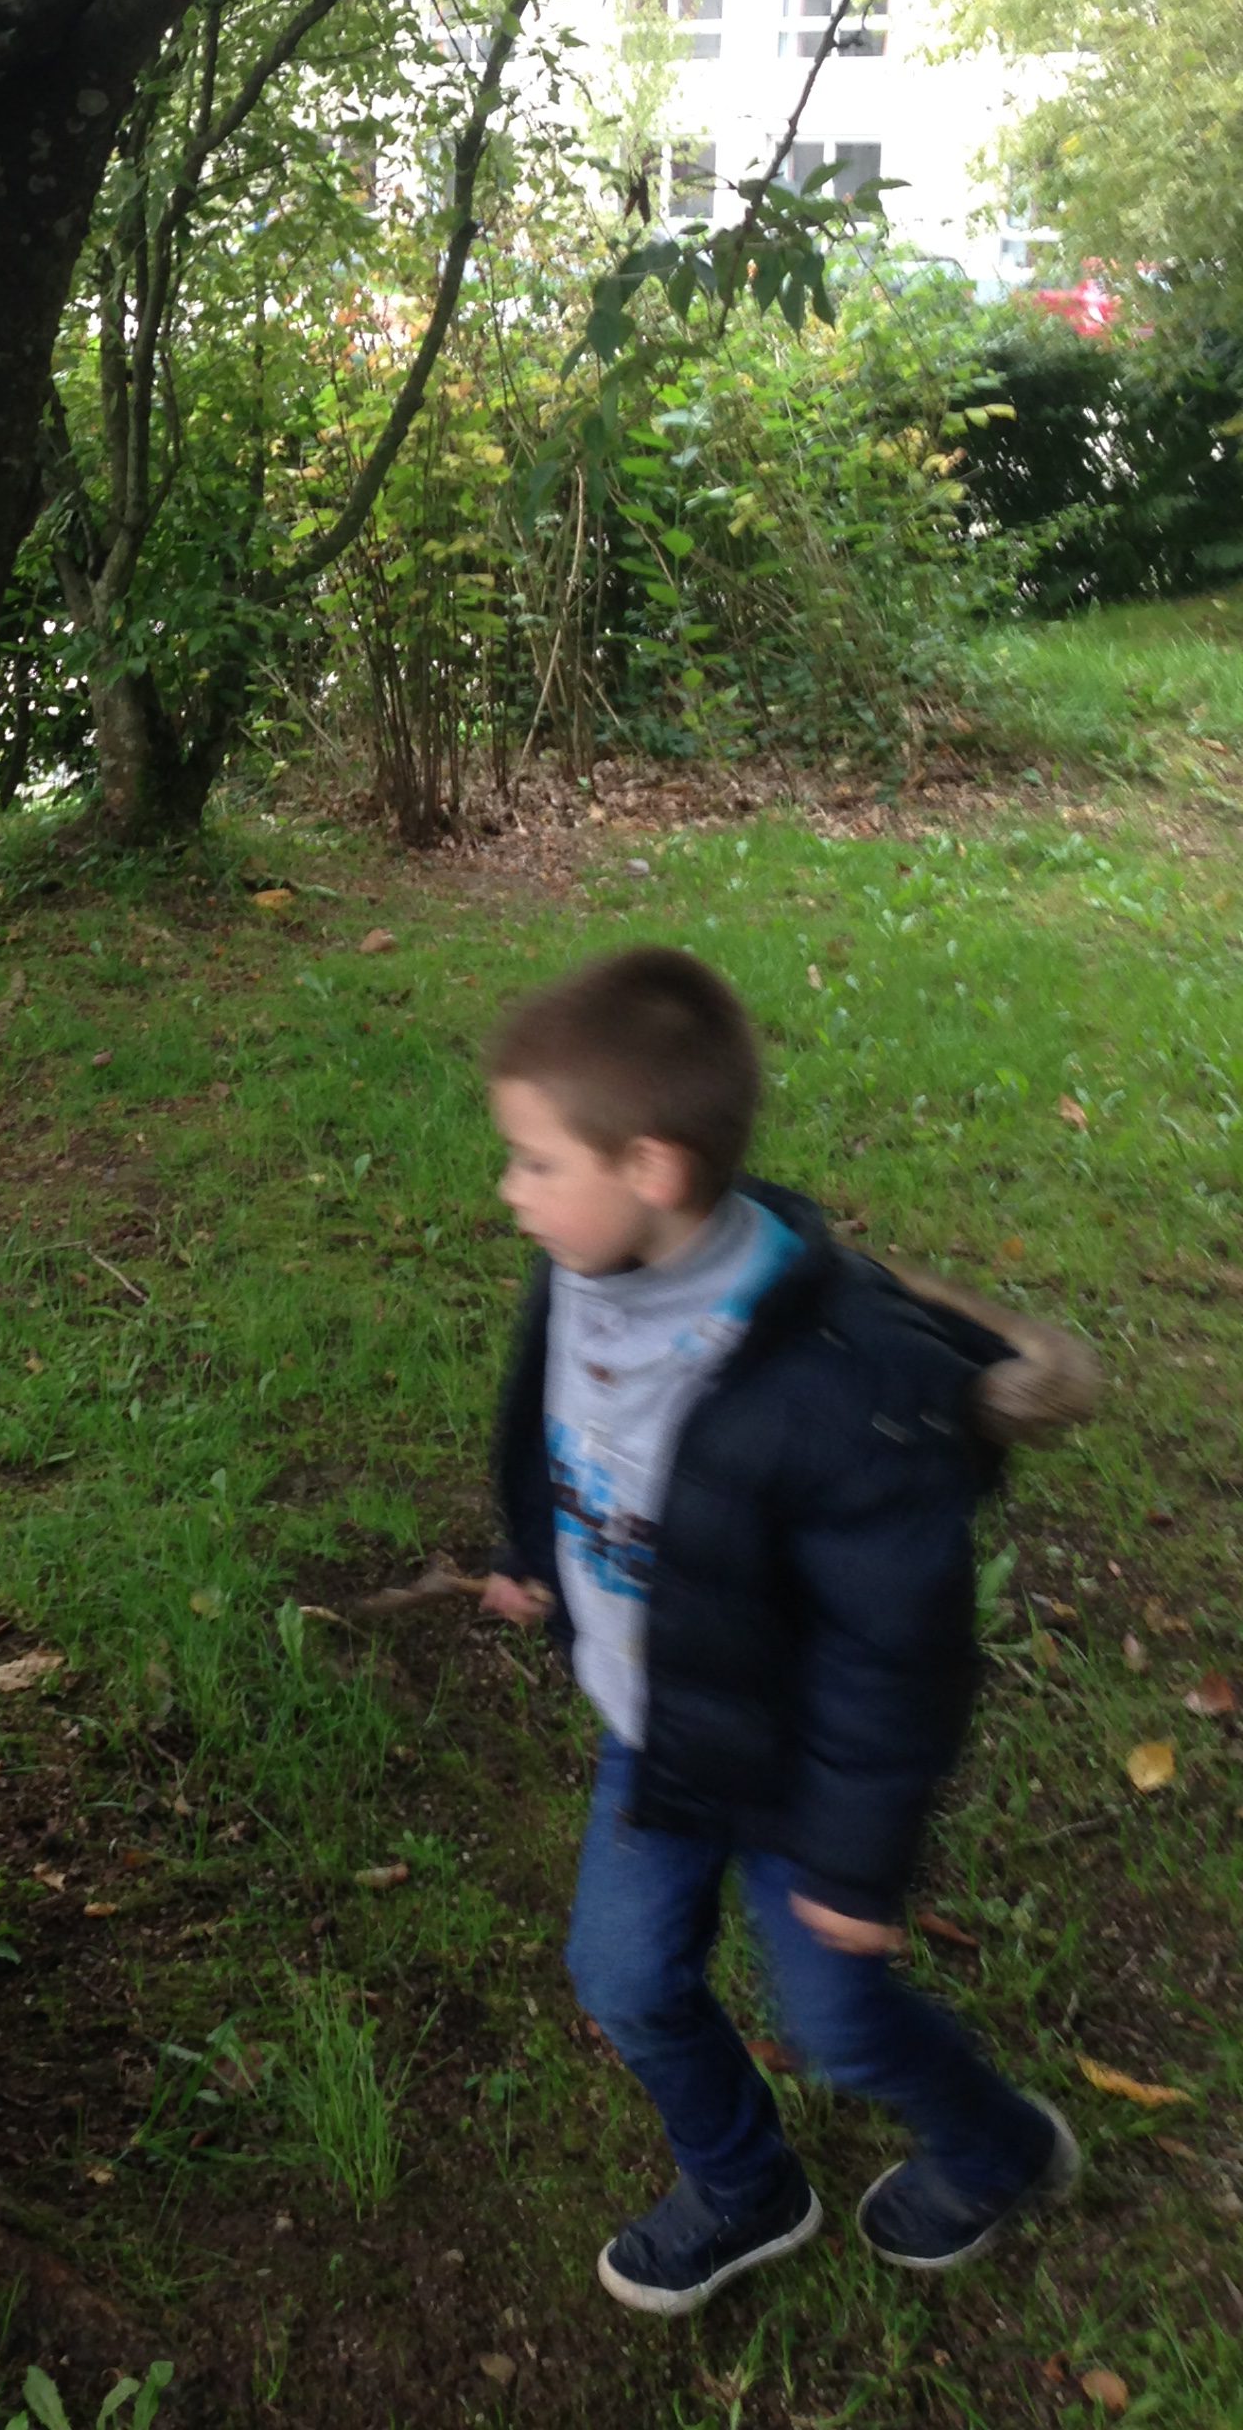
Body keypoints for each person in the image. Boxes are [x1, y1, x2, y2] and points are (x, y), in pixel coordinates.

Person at [482, 945, 1086, 2315]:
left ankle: (999, 2148)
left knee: (839, 2023)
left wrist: (857, 1870)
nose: (511, 1191)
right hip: (664, 1734)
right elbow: (546, 1425)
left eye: (534, 1161)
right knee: (624, 1980)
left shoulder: (839, 1393)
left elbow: (899, 1657)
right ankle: (746, 2185)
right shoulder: (581, 1266)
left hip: (805, 1780)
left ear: (651, 1168)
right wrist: (533, 1554)